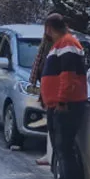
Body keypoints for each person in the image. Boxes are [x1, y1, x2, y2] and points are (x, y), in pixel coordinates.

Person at [40, 14, 89, 179]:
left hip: (66, 106)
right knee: (60, 151)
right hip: (55, 105)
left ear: (49, 28)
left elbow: (68, 76)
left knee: (65, 150)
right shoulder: (60, 45)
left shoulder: (68, 44)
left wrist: (62, 99)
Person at [28, 30, 55, 166]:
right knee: (50, 125)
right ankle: (49, 154)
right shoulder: (45, 44)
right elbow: (38, 63)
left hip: (52, 89)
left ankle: (52, 155)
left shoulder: (56, 46)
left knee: (53, 126)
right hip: (46, 86)